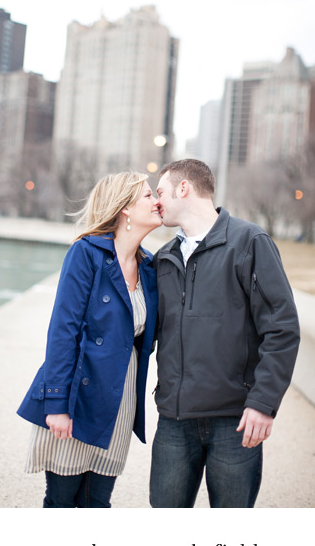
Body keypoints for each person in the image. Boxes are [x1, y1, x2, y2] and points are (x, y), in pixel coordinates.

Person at [150, 159, 299, 508]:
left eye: (160, 192)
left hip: (235, 421)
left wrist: (264, 404)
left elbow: (281, 327)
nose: (157, 202)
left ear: (183, 188)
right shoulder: (164, 258)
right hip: (174, 420)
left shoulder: (249, 242)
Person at [17, 172, 162, 507]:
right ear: (125, 208)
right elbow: (62, 330)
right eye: (148, 195)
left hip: (119, 396)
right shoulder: (86, 253)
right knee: (63, 502)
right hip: (77, 395)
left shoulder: (151, 267)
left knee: (98, 503)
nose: (157, 201)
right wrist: (56, 403)